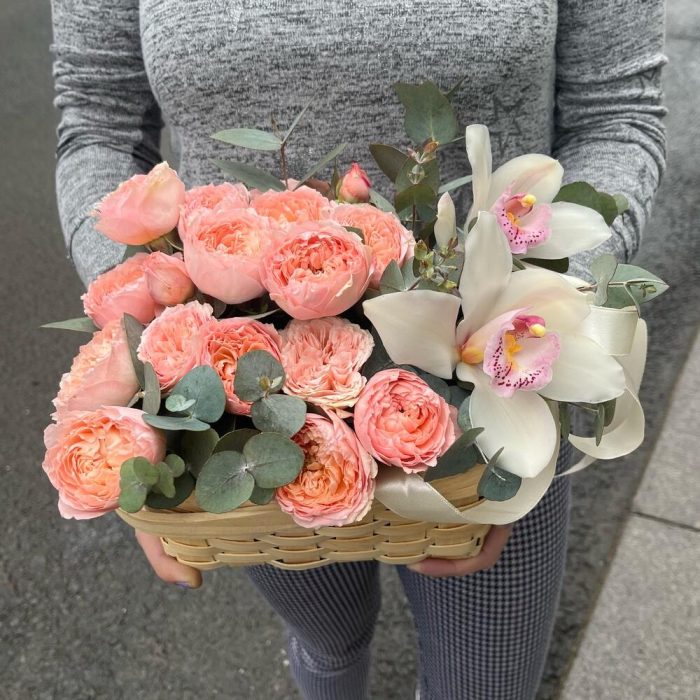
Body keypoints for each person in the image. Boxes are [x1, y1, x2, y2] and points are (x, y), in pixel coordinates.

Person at [50, 1, 666, 698]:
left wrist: (547, 310)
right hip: (244, 402)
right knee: (330, 643)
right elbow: (98, 121)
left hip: (497, 391)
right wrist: (145, 378)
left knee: (486, 683)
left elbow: (616, 114)